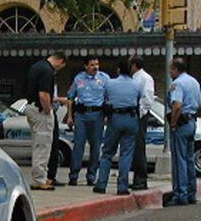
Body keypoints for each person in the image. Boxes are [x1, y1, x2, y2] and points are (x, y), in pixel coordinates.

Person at [93, 59, 144, 196]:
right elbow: (139, 99)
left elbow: (105, 98)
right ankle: (122, 186)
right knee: (126, 153)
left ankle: (101, 184)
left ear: (118, 70)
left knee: (108, 152)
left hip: (115, 118)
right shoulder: (137, 84)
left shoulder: (110, 83)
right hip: (131, 118)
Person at [24, 51, 67, 190]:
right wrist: (48, 110)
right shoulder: (47, 71)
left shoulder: (36, 67)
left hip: (31, 107)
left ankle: (40, 177)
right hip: (40, 110)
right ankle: (39, 179)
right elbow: (43, 94)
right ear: (61, 61)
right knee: (43, 146)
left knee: (39, 144)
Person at [164, 57, 201, 207]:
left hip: (181, 124)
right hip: (192, 122)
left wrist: (173, 123)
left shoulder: (177, 83)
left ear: (175, 69)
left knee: (179, 160)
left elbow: (177, 105)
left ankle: (180, 194)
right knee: (189, 159)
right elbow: (200, 103)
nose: (169, 71)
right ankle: (191, 193)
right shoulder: (194, 82)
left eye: (170, 68)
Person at [66, 56, 109, 186]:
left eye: (97, 64)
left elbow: (109, 98)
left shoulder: (104, 78)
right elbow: (70, 97)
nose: (95, 67)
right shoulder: (79, 78)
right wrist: (69, 116)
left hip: (97, 114)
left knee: (96, 146)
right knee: (78, 145)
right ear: (86, 66)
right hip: (81, 115)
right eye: (92, 65)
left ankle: (91, 175)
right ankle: (73, 175)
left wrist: (107, 115)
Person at [129, 55, 155, 191]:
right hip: (132, 115)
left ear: (134, 65)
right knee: (133, 149)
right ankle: (136, 178)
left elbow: (147, 99)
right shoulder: (134, 78)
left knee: (139, 148)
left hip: (139, 116)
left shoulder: (145, 78)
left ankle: (141, 179)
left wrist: (139, 113)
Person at [47, 85, 68, 187]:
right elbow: (44, 96)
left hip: (52, 113)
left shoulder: (52, 78)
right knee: (46, 148)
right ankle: (45, 178)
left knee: (54, 148)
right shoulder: (45, 72)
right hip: (47, 113)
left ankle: (51, 177)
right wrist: (59, 99)